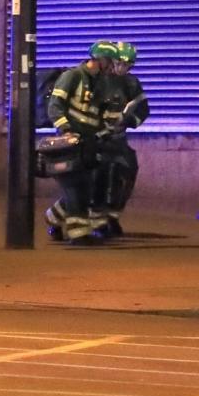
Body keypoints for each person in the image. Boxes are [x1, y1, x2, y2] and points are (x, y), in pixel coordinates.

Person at [45, 41, 118, 245]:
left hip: (87, 142)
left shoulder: (101, 83)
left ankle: (53, 217)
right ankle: (79, 235)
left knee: (85, 185)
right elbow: (55, 106)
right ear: (99, 59)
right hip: (70, 141)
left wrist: (104, 133)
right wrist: (66, 130)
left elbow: (100, 115)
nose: (111, 66)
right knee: (75, 186)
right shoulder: (72, 76)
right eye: (109, 61)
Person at [94, 41, 150, 237]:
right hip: (97, 140)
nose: (122, 69)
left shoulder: (131, 83)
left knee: (126, 172)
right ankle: (96, 220)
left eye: (127, 66)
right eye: (119, 64)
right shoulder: (96, 80)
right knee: (97, 177)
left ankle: (112, 216)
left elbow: (143, 109)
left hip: (118, 140)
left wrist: (128, 121)